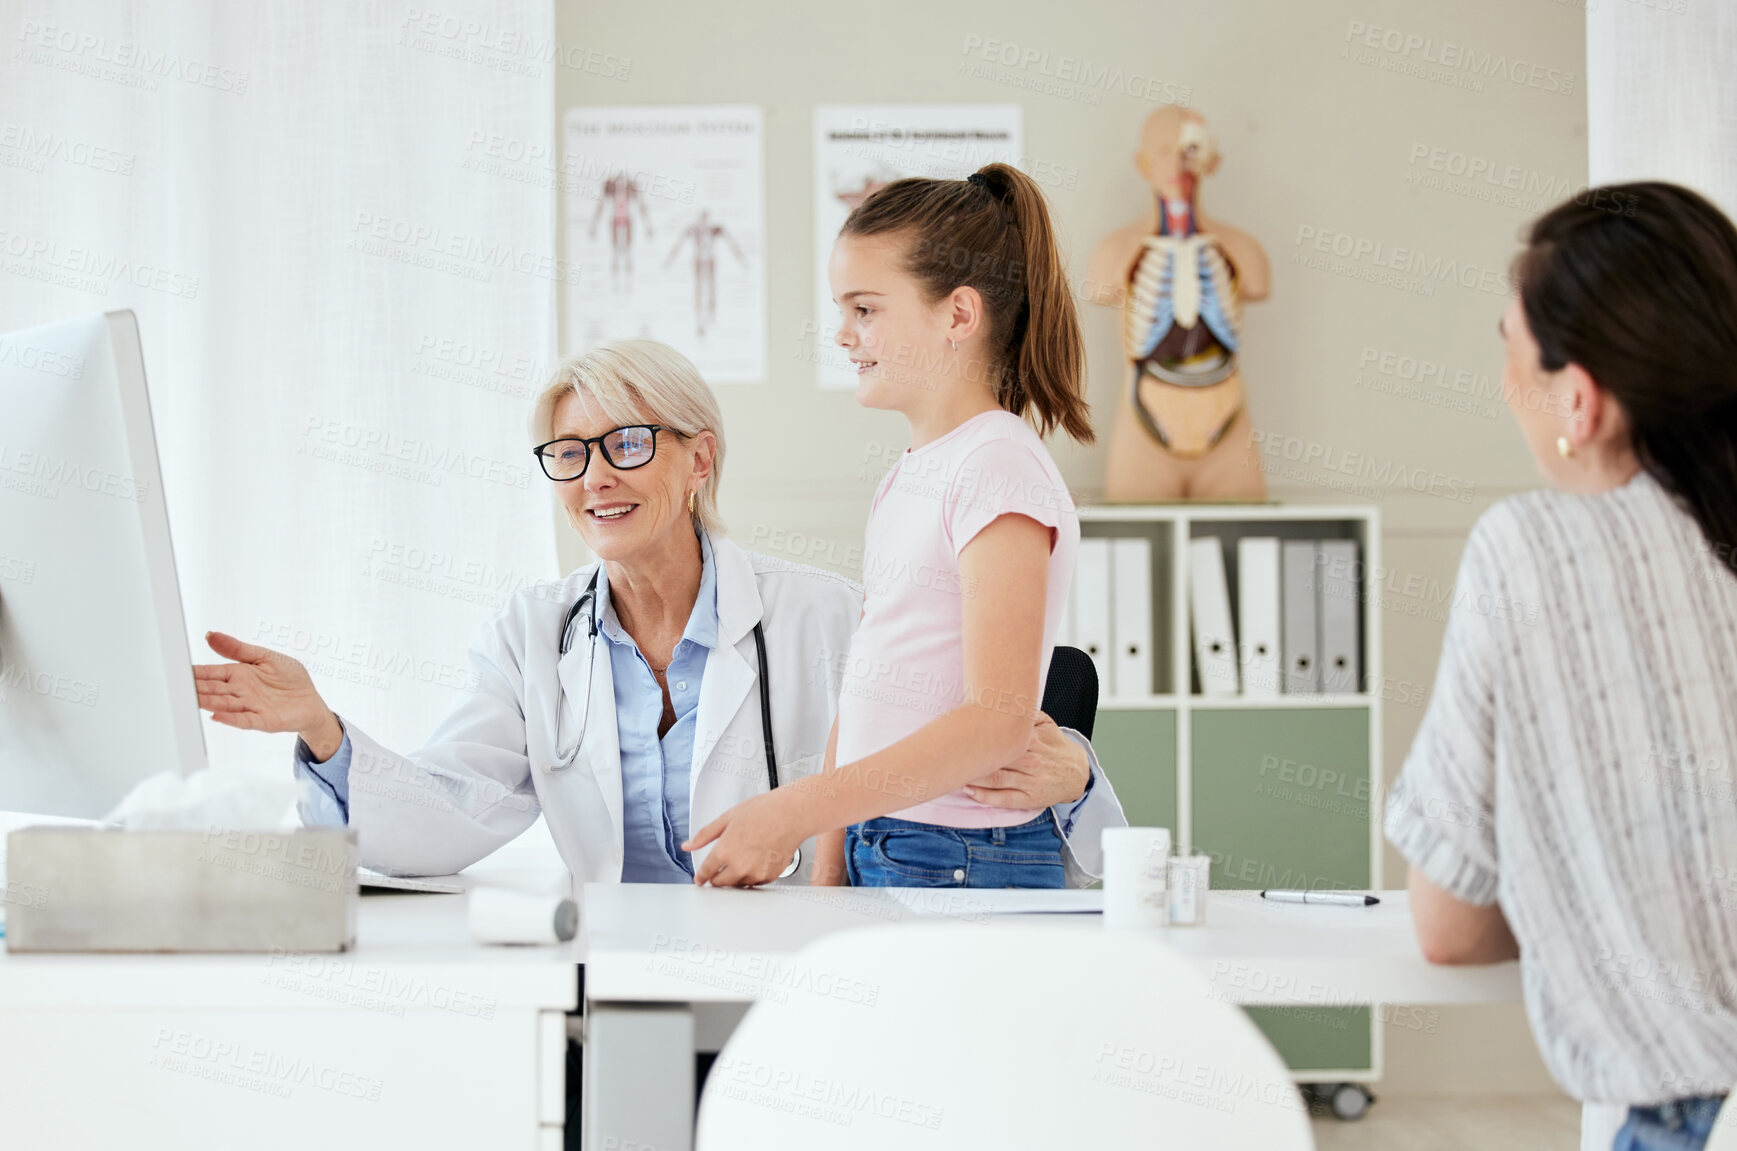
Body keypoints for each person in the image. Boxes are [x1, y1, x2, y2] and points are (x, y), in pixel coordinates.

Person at [193, 338, 1124, 887]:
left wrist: (1075, 775)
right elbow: (450, 814)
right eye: (568, 452)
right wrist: (320, 728)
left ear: (699, 461)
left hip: (789, 991)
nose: (595, 474)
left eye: (627, 443)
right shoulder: (531, 637)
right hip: (615, 990)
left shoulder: (827, 618)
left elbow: (985, 761)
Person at [1384, 182, 1737, 1150]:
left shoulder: (1533, 549)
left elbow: (1448, 926)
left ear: (1580, 397)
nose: (1503, 383)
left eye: (1507, 347)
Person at [685, 163, 1095, 889]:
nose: (842, 334)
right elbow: (868, 684)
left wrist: (791, 811)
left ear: (958, 317)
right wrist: (828, 862)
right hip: (895, 840)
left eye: (865, 309)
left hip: (961, 853)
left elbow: (996, 721)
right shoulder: (907, 475)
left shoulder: (996, 464)